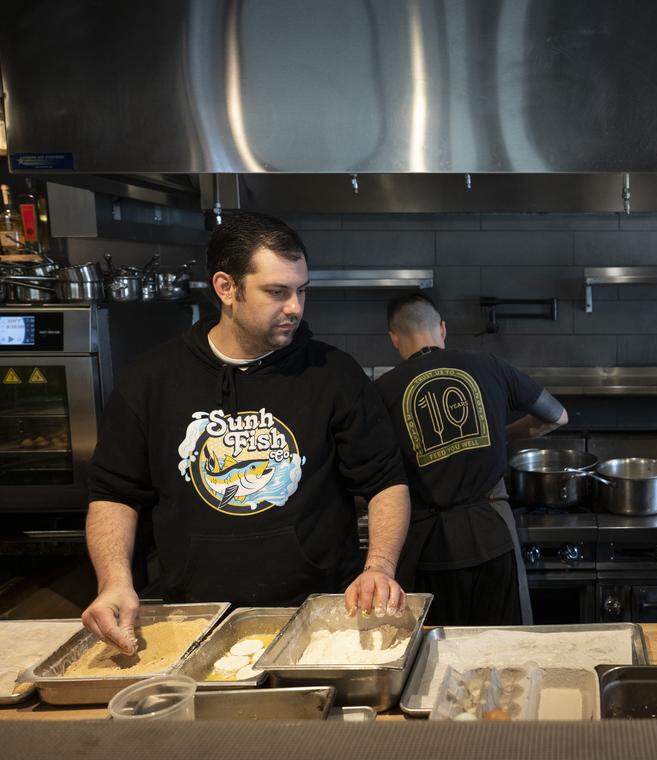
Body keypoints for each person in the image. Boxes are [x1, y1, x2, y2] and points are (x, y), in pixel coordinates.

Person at [82, 211, 410, 653]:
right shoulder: (150, 380)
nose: (295, 307)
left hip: (321, 619)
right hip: (195, 618)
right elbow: (114, 494)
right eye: (277, 292)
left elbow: (385, 481)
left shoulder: (334, 374)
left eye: (301, 290)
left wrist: (380, 568)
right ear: (226, 288)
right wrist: (114, 581)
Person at [375, 293, 568, 625]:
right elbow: (557, 416)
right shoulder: (488, 364)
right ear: (442, 328)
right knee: (502, 644)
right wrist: (501, 434)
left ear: (394, 338)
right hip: (492, 532)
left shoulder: (382, 391)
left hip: (429, 546)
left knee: (438, 646)